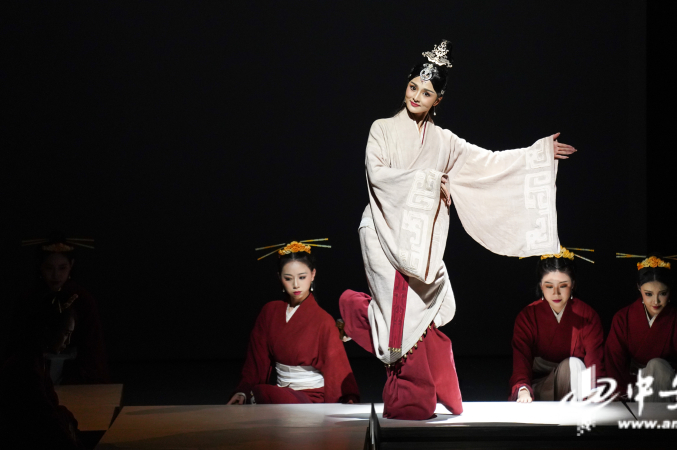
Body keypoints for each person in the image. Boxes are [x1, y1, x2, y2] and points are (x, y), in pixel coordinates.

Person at [339, 39, 576, 419]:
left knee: (418, 320)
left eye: (426, 92)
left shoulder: (444, 141)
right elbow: (378, 176)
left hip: (422, 242)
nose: (416, 96)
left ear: (438, 100)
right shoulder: (381, 129)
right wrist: (432, 181)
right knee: (399, 318)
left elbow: (488, 163)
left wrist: (537, 154)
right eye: (413, 86)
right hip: (382, 232)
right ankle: (407, 392)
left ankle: (369, 329)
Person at [228, 241, 359, 405]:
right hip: (281, 392)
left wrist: (348, 397)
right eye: (288, 278)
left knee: (267, 393)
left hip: (311, 396)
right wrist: (243, 390)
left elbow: (337, 366)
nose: (296, 285)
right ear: (279, 277)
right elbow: (256, 362)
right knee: (262, 391)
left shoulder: (323, 320)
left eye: (302, 277)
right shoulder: (270, 312)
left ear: (313, 274)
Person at [509, 247, 604, 402]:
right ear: (540, 285)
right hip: (542, 387)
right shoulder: (527, 316)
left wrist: (595, 389)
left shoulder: (587, 316)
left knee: (574, 365)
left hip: (578, 385)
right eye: (549, 286)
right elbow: (521, 361)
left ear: (573, 284)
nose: (556, 293)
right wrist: (523, 389)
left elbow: (594, 360)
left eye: (563, 285)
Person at [604, 255, 677, 401]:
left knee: (658, 366)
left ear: (670, 290)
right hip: (634, 387)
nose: (655, 301)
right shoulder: (622, 318)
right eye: (648, 294)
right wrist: (621, 393)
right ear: (639, 287)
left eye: (662, 293)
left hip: (670, 387)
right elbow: (614, 363)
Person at [14, 232, 109, 384]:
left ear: (71, 265)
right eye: (49, 268)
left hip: (74, 373)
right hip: (37, 371)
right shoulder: (29, 300)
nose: (55, 275)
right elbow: (20, 344)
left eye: (62, 268)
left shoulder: (83, 300)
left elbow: (92, 346)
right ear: (40, 267)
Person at [0, 291, 84, 449]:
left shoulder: (34, 358)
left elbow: (50, 407)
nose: (68, 341)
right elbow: (44, 416)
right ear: (49, 329)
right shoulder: (26, 365)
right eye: (66, 333)